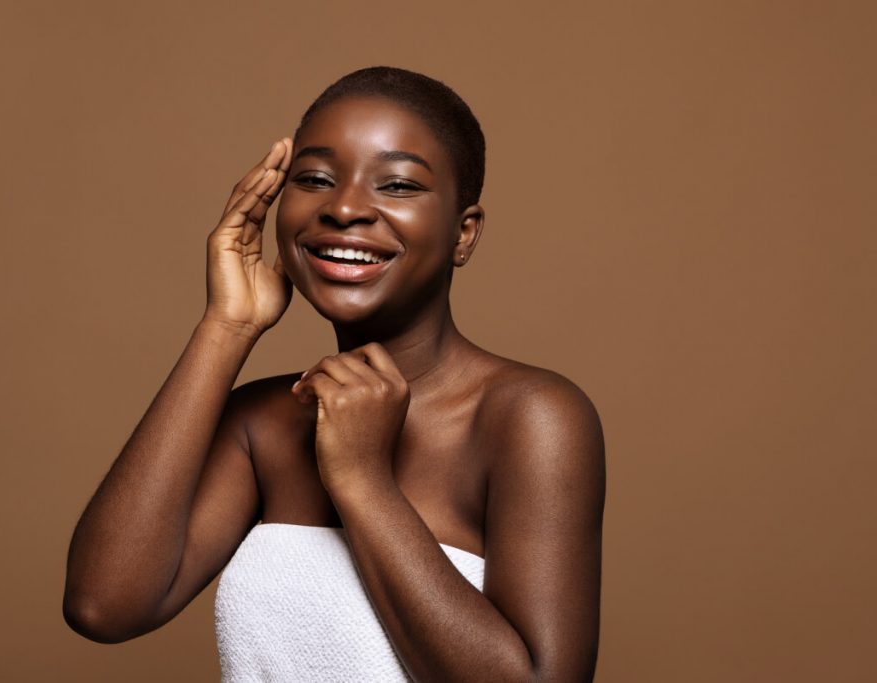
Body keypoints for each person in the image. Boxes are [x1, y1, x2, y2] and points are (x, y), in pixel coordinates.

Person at [63, 66, 606, 682]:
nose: (345, 208)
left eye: (398, 186)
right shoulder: (263, 422)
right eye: (315, 179)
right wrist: (227, 328)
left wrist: (363, 479)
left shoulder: (529, 416)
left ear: (464, 232)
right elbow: (102, 605)